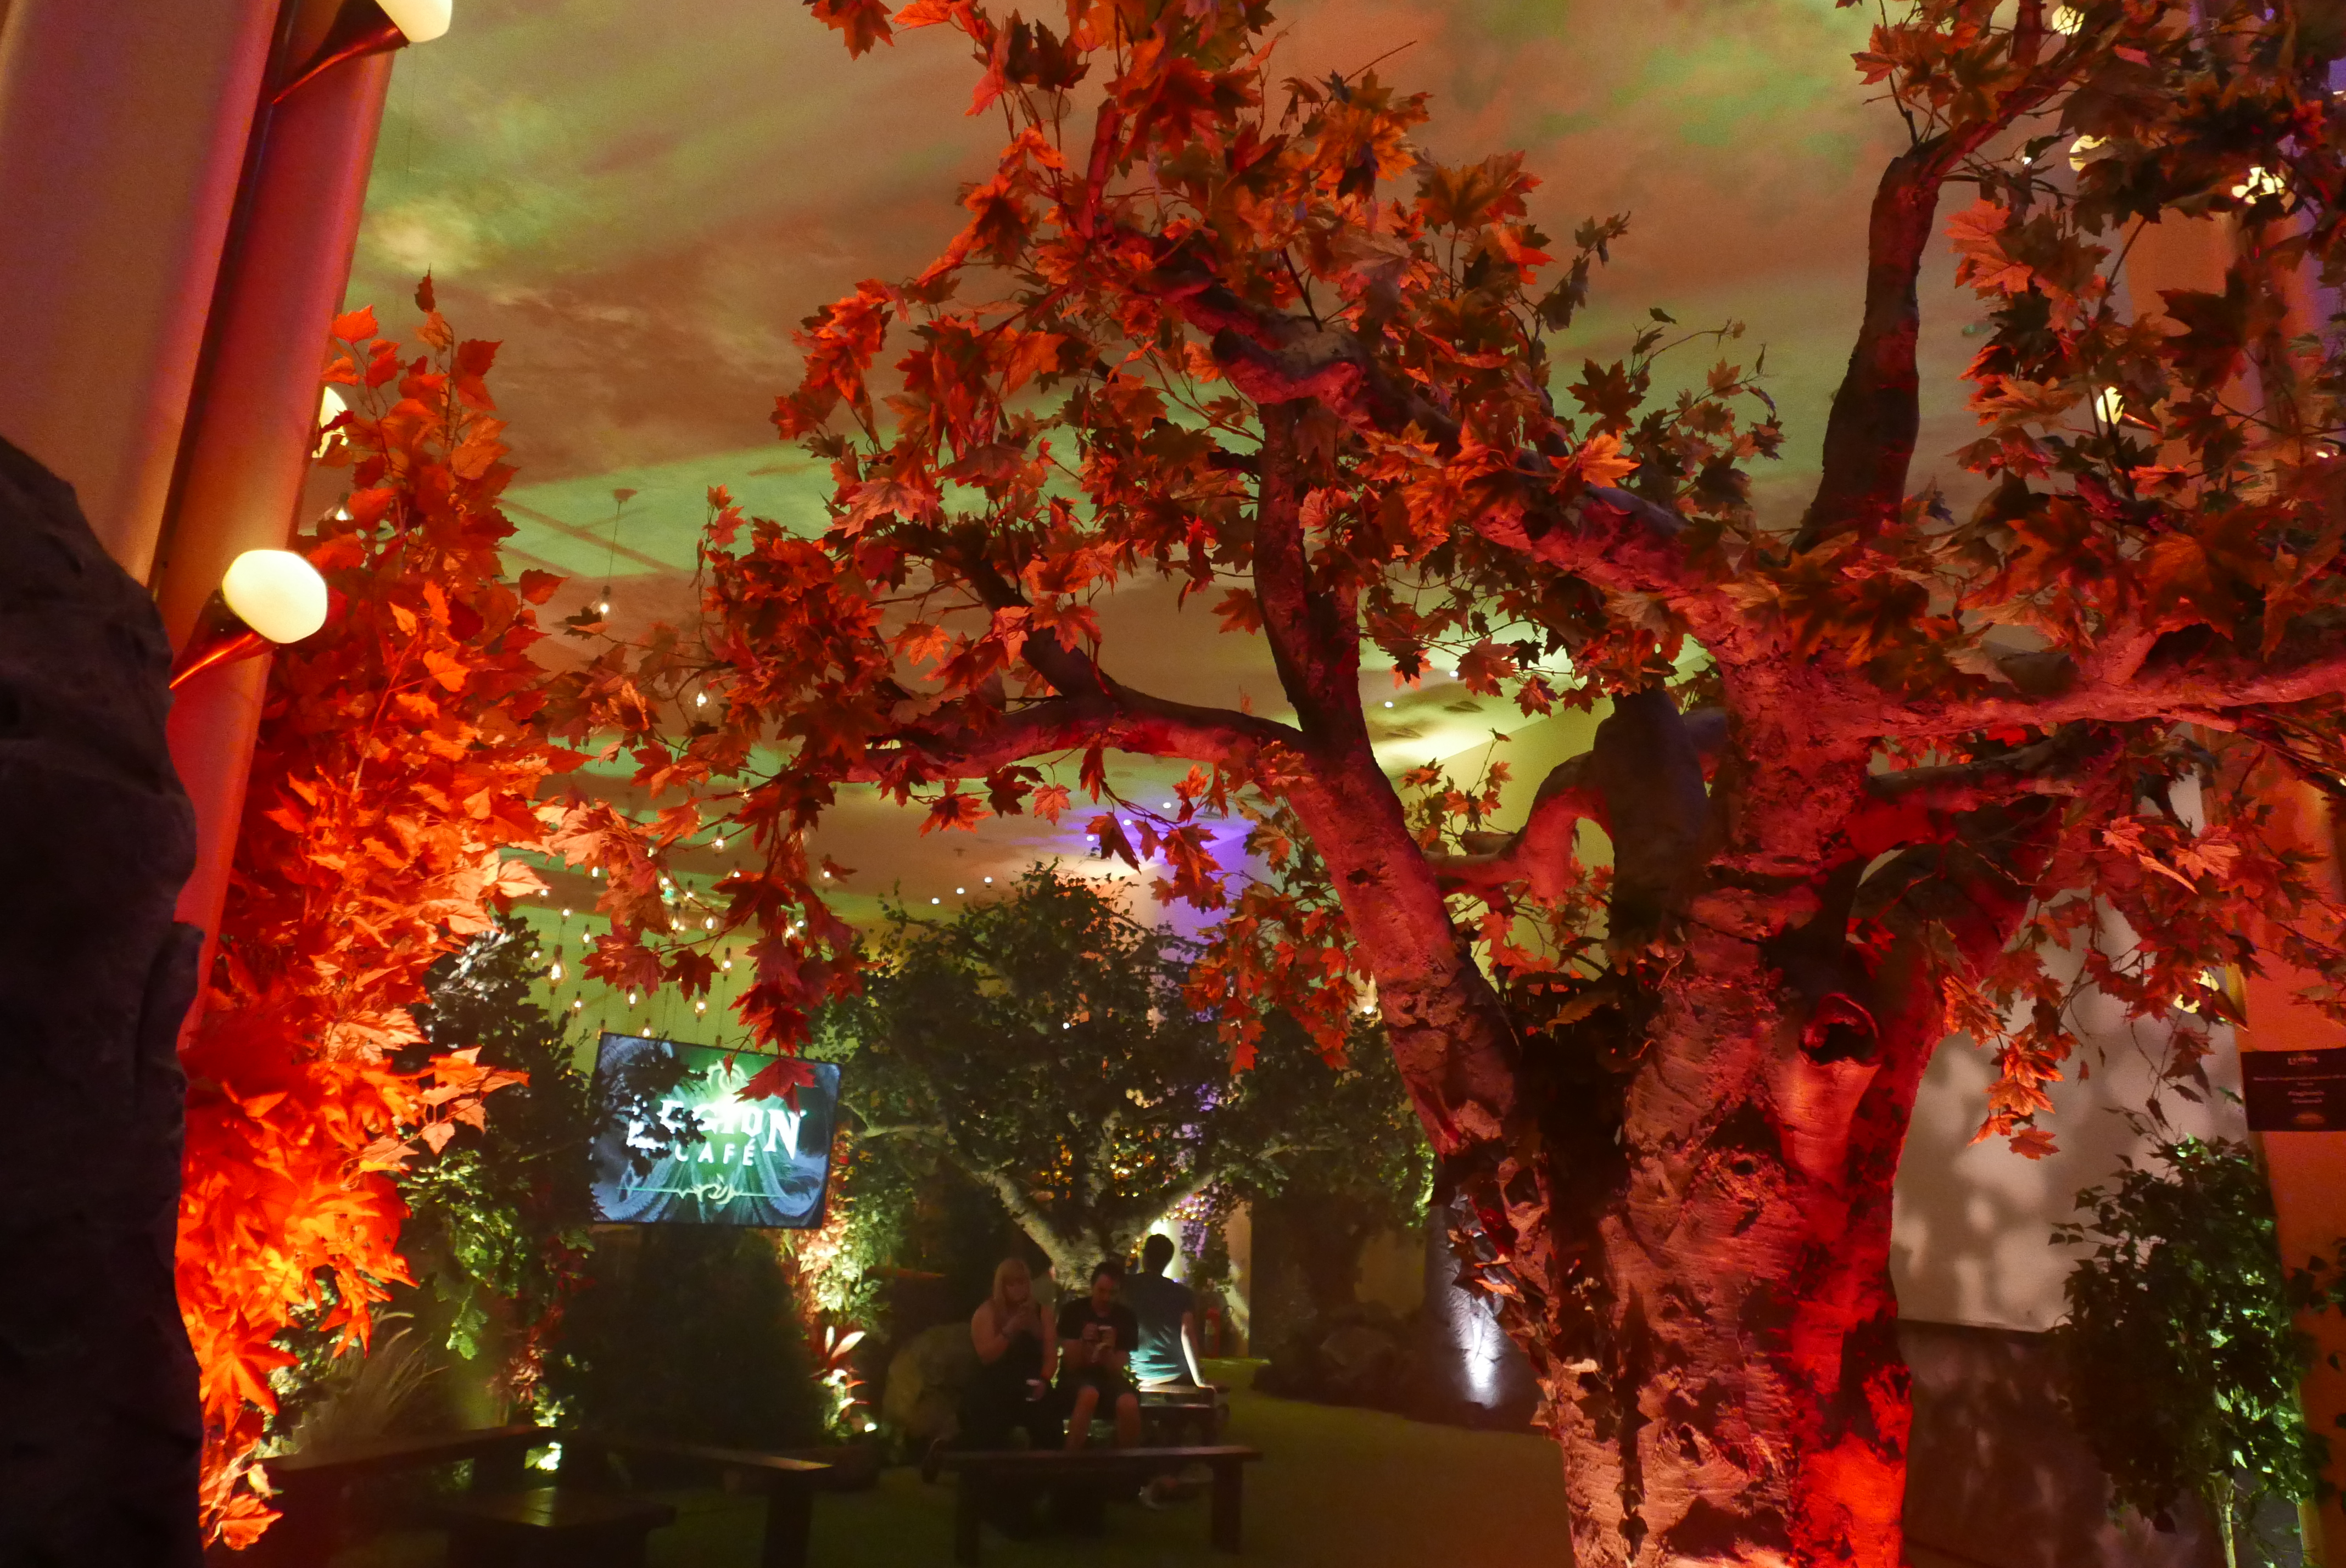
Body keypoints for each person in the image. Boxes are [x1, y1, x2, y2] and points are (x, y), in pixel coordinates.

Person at [960, 1257, 1060, 1451]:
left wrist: (1044, 1380)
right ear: (1002, 1286)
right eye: (1011, 1284)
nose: (1018, 1289)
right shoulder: (987, 1312)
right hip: (996, 1384)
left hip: (1031, 1383)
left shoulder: (1043, 1313)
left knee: (1049, 1425)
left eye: (1022, 1283)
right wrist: (1009, 1330)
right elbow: (986, 1357)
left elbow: (1051, 1356)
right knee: (989, 1425)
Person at [1053, 1260, 1141, 1449]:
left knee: (1129, 1402)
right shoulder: (1073, 1311)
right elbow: (1071, 1364)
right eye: (1101, 1291)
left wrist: (1109, 1349)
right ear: (1092, 1287)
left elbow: (1116, 1370)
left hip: (1108, 1379)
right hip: (1074, 1378)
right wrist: (1083, 1341)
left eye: (1112, 1293)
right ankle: (1069, 1459)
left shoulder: (1126, 1318)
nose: (1106, 1297)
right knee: (1089, 1394)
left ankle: (1128, 1461)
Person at [1121, 1233, 1205, 1390]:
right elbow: (1187, 1333)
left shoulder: (1127, 1287)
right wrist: (1199, 1380)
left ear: (1144, 1256)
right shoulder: (1183, 1294)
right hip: (1178, 1372)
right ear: (1168, 1260)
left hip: (1141, 1372)